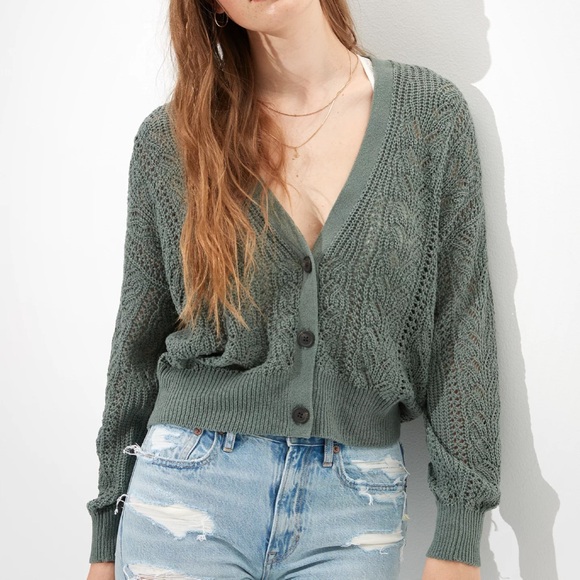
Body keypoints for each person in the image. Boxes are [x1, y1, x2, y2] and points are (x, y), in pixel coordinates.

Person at [86, 0, 501, 579]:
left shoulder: (430, 118)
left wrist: (459, 531)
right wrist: (106, 538)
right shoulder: (173, 138)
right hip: (187, 493)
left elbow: (461, 325)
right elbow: (136, 343)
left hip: (355, 503)